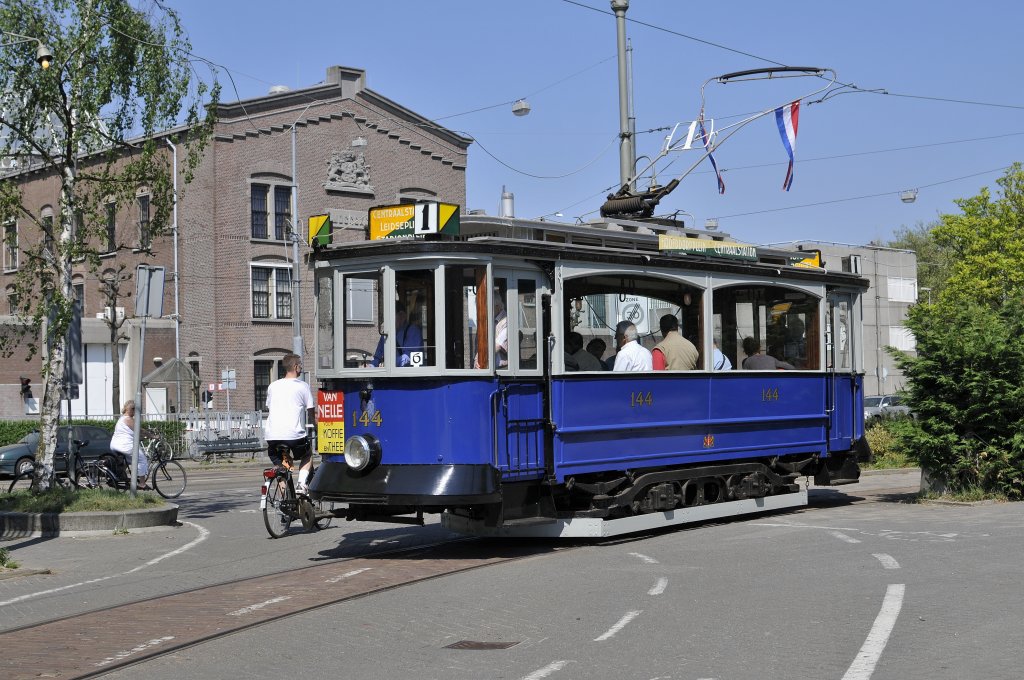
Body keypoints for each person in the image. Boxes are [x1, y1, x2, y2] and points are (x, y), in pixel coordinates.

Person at [265, 353, 316, 493]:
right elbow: (312, 414)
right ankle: (301, 484)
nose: (301, 368)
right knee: (307, 455)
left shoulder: (272, 386)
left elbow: (270, 408)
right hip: (293, 435)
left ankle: (284, 504)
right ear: (295, 366)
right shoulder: (303, 386)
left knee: (284, 466)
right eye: (300, 365)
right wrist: (318, 427)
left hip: (272, 436)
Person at [109, 400, 148, 488]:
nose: (135, 412)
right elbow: (139, 429)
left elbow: (128, 433)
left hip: (115, 445)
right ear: (131, 409)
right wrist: (152, 435)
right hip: (124, 446)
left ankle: (118, 477)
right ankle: (142, 483)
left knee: (127, 461)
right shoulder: (128, 419)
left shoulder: (122, 418)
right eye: (135, 410)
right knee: (142, 459)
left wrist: (140, 437)